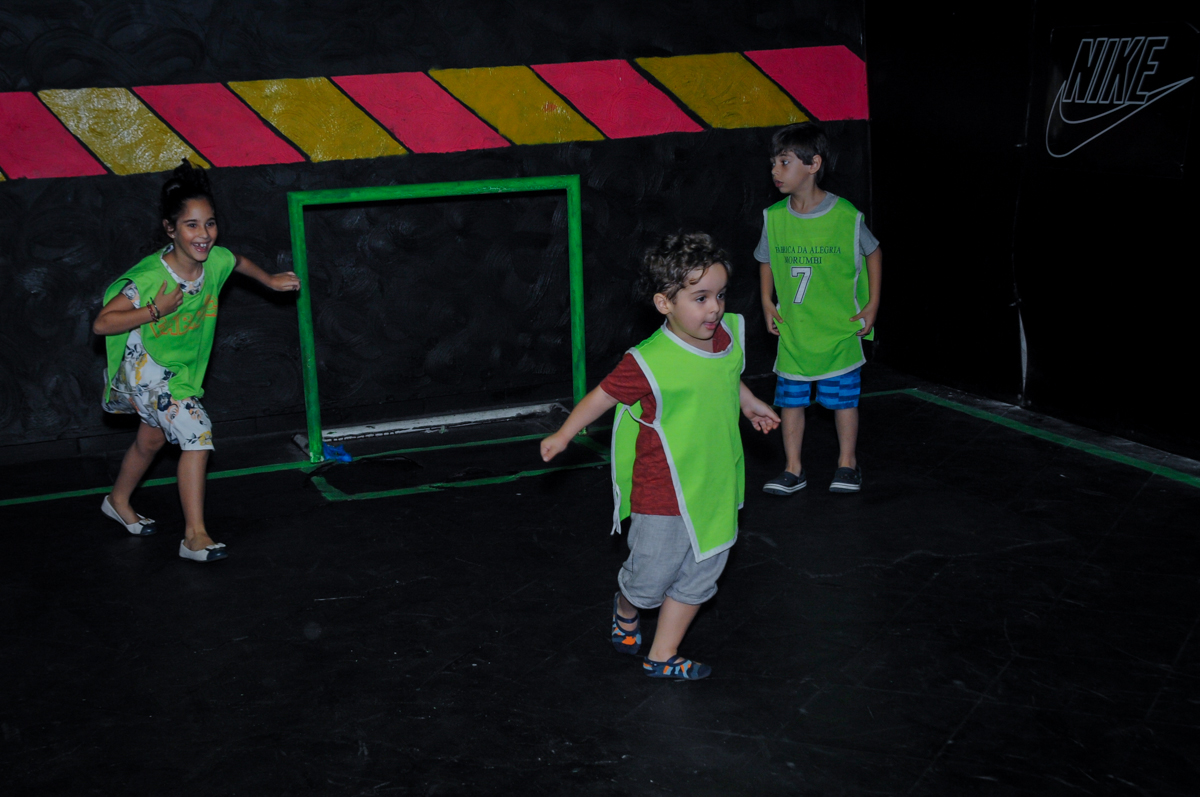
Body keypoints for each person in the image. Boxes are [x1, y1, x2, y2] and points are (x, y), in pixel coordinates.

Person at [541, 232, 779, 680]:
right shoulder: (648, 361)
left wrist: (748, 403)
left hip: (715, 482)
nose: (715, 308)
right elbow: (602, 397)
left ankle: (662, 655)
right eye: (701, 297)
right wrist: (564, 433)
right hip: (662, 490)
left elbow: (725, 375)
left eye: (721, 295)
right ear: (664, 303)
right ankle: (627, 606)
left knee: (702, 574)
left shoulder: (725, 337)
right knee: (649, 581)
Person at [93, 160, 301, 562]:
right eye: (191, 225)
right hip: (146, 367)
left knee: (151, 439)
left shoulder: (214, 261)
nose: (203, 234)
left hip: (177, 369)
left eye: (209, 223)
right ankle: (194, 536)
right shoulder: (153, 278)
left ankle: (117, 499)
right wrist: (155, 310)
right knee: (195, 432)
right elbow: (103, 323)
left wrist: (271, 280)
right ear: (170, 230)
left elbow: (237, 261)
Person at [757, 122, 882, 495]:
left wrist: (873, 303)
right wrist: (766, 300)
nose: (775, 171)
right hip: (796, 330)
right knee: (791, 401)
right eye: (773, 163)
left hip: (838, 329)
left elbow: (873, 252)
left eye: (784, 162)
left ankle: (848, 464)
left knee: (843, 401)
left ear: (813, 165)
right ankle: (793, 468)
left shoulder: (845, 216)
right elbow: (764, 259)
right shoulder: (774, 217)